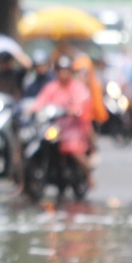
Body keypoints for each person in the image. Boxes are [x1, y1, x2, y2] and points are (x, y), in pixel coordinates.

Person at [32, 56, 95, 184]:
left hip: (73, 126)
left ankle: (88, 174)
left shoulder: (77, 87)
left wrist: (74, 110)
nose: (63, 73)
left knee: (73, 148)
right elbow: (41, 101)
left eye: (66, 70)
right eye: (61, 70)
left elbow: (82, 102)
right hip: (54, 125)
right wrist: (32, 110)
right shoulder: (51, 87)